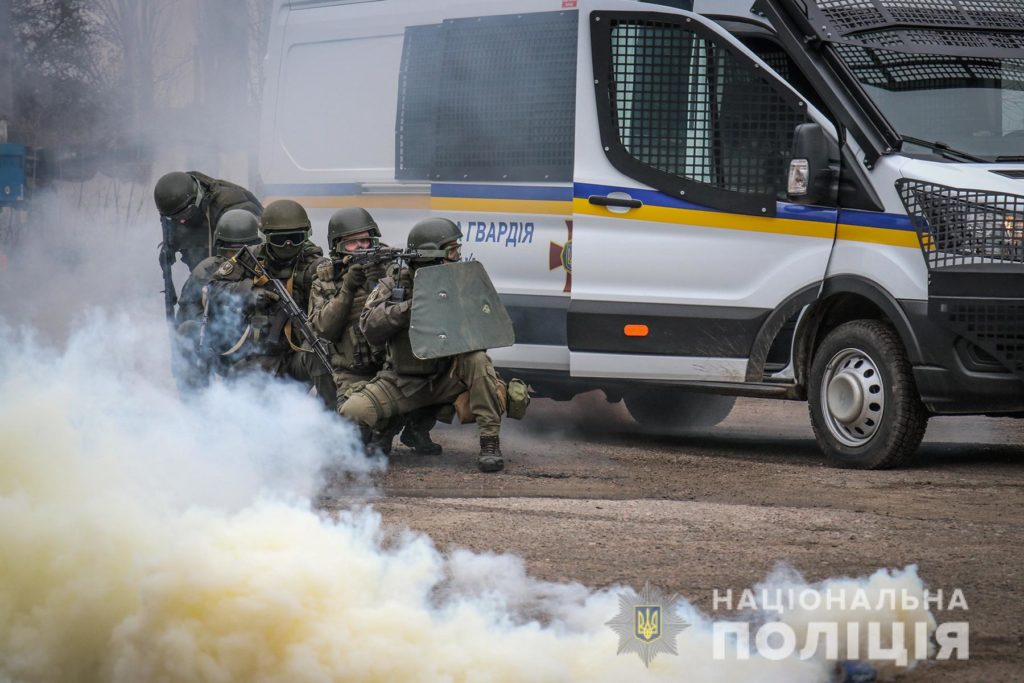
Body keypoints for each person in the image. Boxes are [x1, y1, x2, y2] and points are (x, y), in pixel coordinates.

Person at [340, 217, 506, 472]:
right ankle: (368, 444)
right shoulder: (395, 282)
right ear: (433, 256)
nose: (457, 257)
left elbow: (483, 329)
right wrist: (409, 308)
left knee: (478, 361)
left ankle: (490, 443)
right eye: (452, 251)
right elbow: (369, 326)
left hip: (446, 376)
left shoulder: (461, 282)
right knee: (353, 410)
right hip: (401, 380)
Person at [308, 208, 441, 455]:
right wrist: (348, 288)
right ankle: (380, 431)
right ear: (337, 246)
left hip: (392, 369)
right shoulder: (326, 281)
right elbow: (324, 329)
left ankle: (416, 428)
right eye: (352, 243)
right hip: (353, 372)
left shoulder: (394, 271)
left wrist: (381, 283)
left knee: (437, 379)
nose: (360, 248)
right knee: (358, 443)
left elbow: (419, 314)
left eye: (365, 241)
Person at [206, 199, 335, 407]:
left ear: (306, 236)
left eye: (295, 238)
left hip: (298, 359)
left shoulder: (315, 266)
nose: (288, 245)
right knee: (248, 414)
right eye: (280, 239)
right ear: (265, 237)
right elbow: (213, 289)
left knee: (322, 354)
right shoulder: (250, 258)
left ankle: (330, 423)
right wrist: (249, 291)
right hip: (256, 358)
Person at [173, 209, 264, 390]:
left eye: (242, 253)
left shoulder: (264, 272)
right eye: (230, 252)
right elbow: (186, 316)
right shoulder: (206, 271)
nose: (235, 259)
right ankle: (195, 401)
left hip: (255, 348)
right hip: (218, 344)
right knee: (187, 331)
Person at [154, 171, 262, 272]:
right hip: (207, 274)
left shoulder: (233, 207)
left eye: (186, 214)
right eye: (175, 218)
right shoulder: (176, 208)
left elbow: (252, 254)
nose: (181, 221)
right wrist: (170, 246)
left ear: (198, 198)